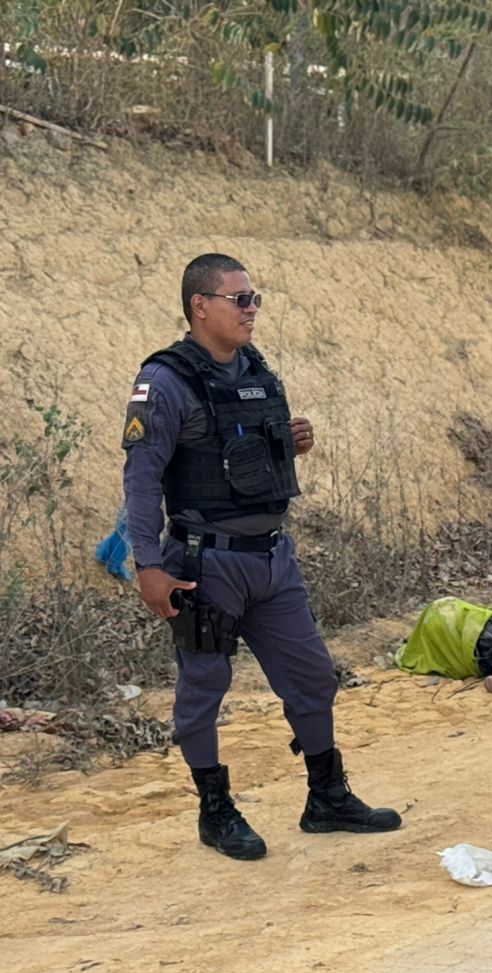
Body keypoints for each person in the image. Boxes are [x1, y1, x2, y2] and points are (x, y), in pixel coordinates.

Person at [122, 253, 401, 861]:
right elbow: (142, 479)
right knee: (204, 685)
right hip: (206, 563)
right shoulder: (164, 382)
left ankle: (327, 797)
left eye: (255, 299)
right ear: (201, 306)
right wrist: (148, 565)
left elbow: (239, 459)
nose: (252, 309)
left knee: (312, 677)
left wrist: (289, 445)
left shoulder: (256, 370)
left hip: (273, 559)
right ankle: (214, 811)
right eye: (238, 298)